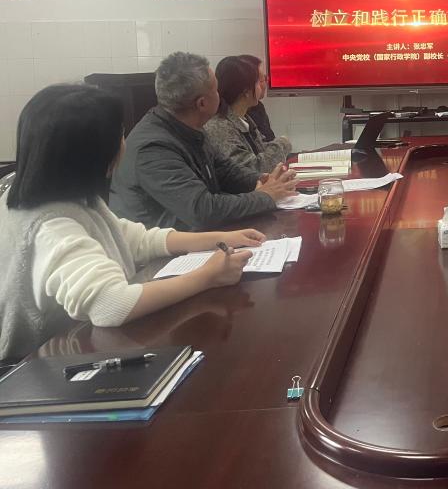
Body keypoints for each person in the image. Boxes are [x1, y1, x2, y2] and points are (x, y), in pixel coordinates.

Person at [0, 85, 264, 362]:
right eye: (120, 134)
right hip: (32, 368)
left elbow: (132, 238)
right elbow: (111, 305)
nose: (125, 142)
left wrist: (217, 238)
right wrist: (207, 276)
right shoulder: (50, 227)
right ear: (96, 153)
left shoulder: (62, 193)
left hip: (71, 349)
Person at [110, 52, 297, 231]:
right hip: (163, 249)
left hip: (195, 236)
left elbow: (226, 172)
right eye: (216, 89)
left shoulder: (190, 126)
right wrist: (265, 196)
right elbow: (203, 211)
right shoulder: (153, 149)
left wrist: (263, 180)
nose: (221, 95)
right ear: (202, 103)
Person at [204, 56, 292, 175]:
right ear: (246, 91)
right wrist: (282, 143)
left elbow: (261, 150)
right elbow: (254, 169)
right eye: (258, 82)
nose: (262, 86)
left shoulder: (244, 119)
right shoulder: (219, 127)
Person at [238, 54, 277, 143]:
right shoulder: (228, 122)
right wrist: (284, 142)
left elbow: (268, 141)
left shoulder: (258, 107)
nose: (266, 83)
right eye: (263, 79)